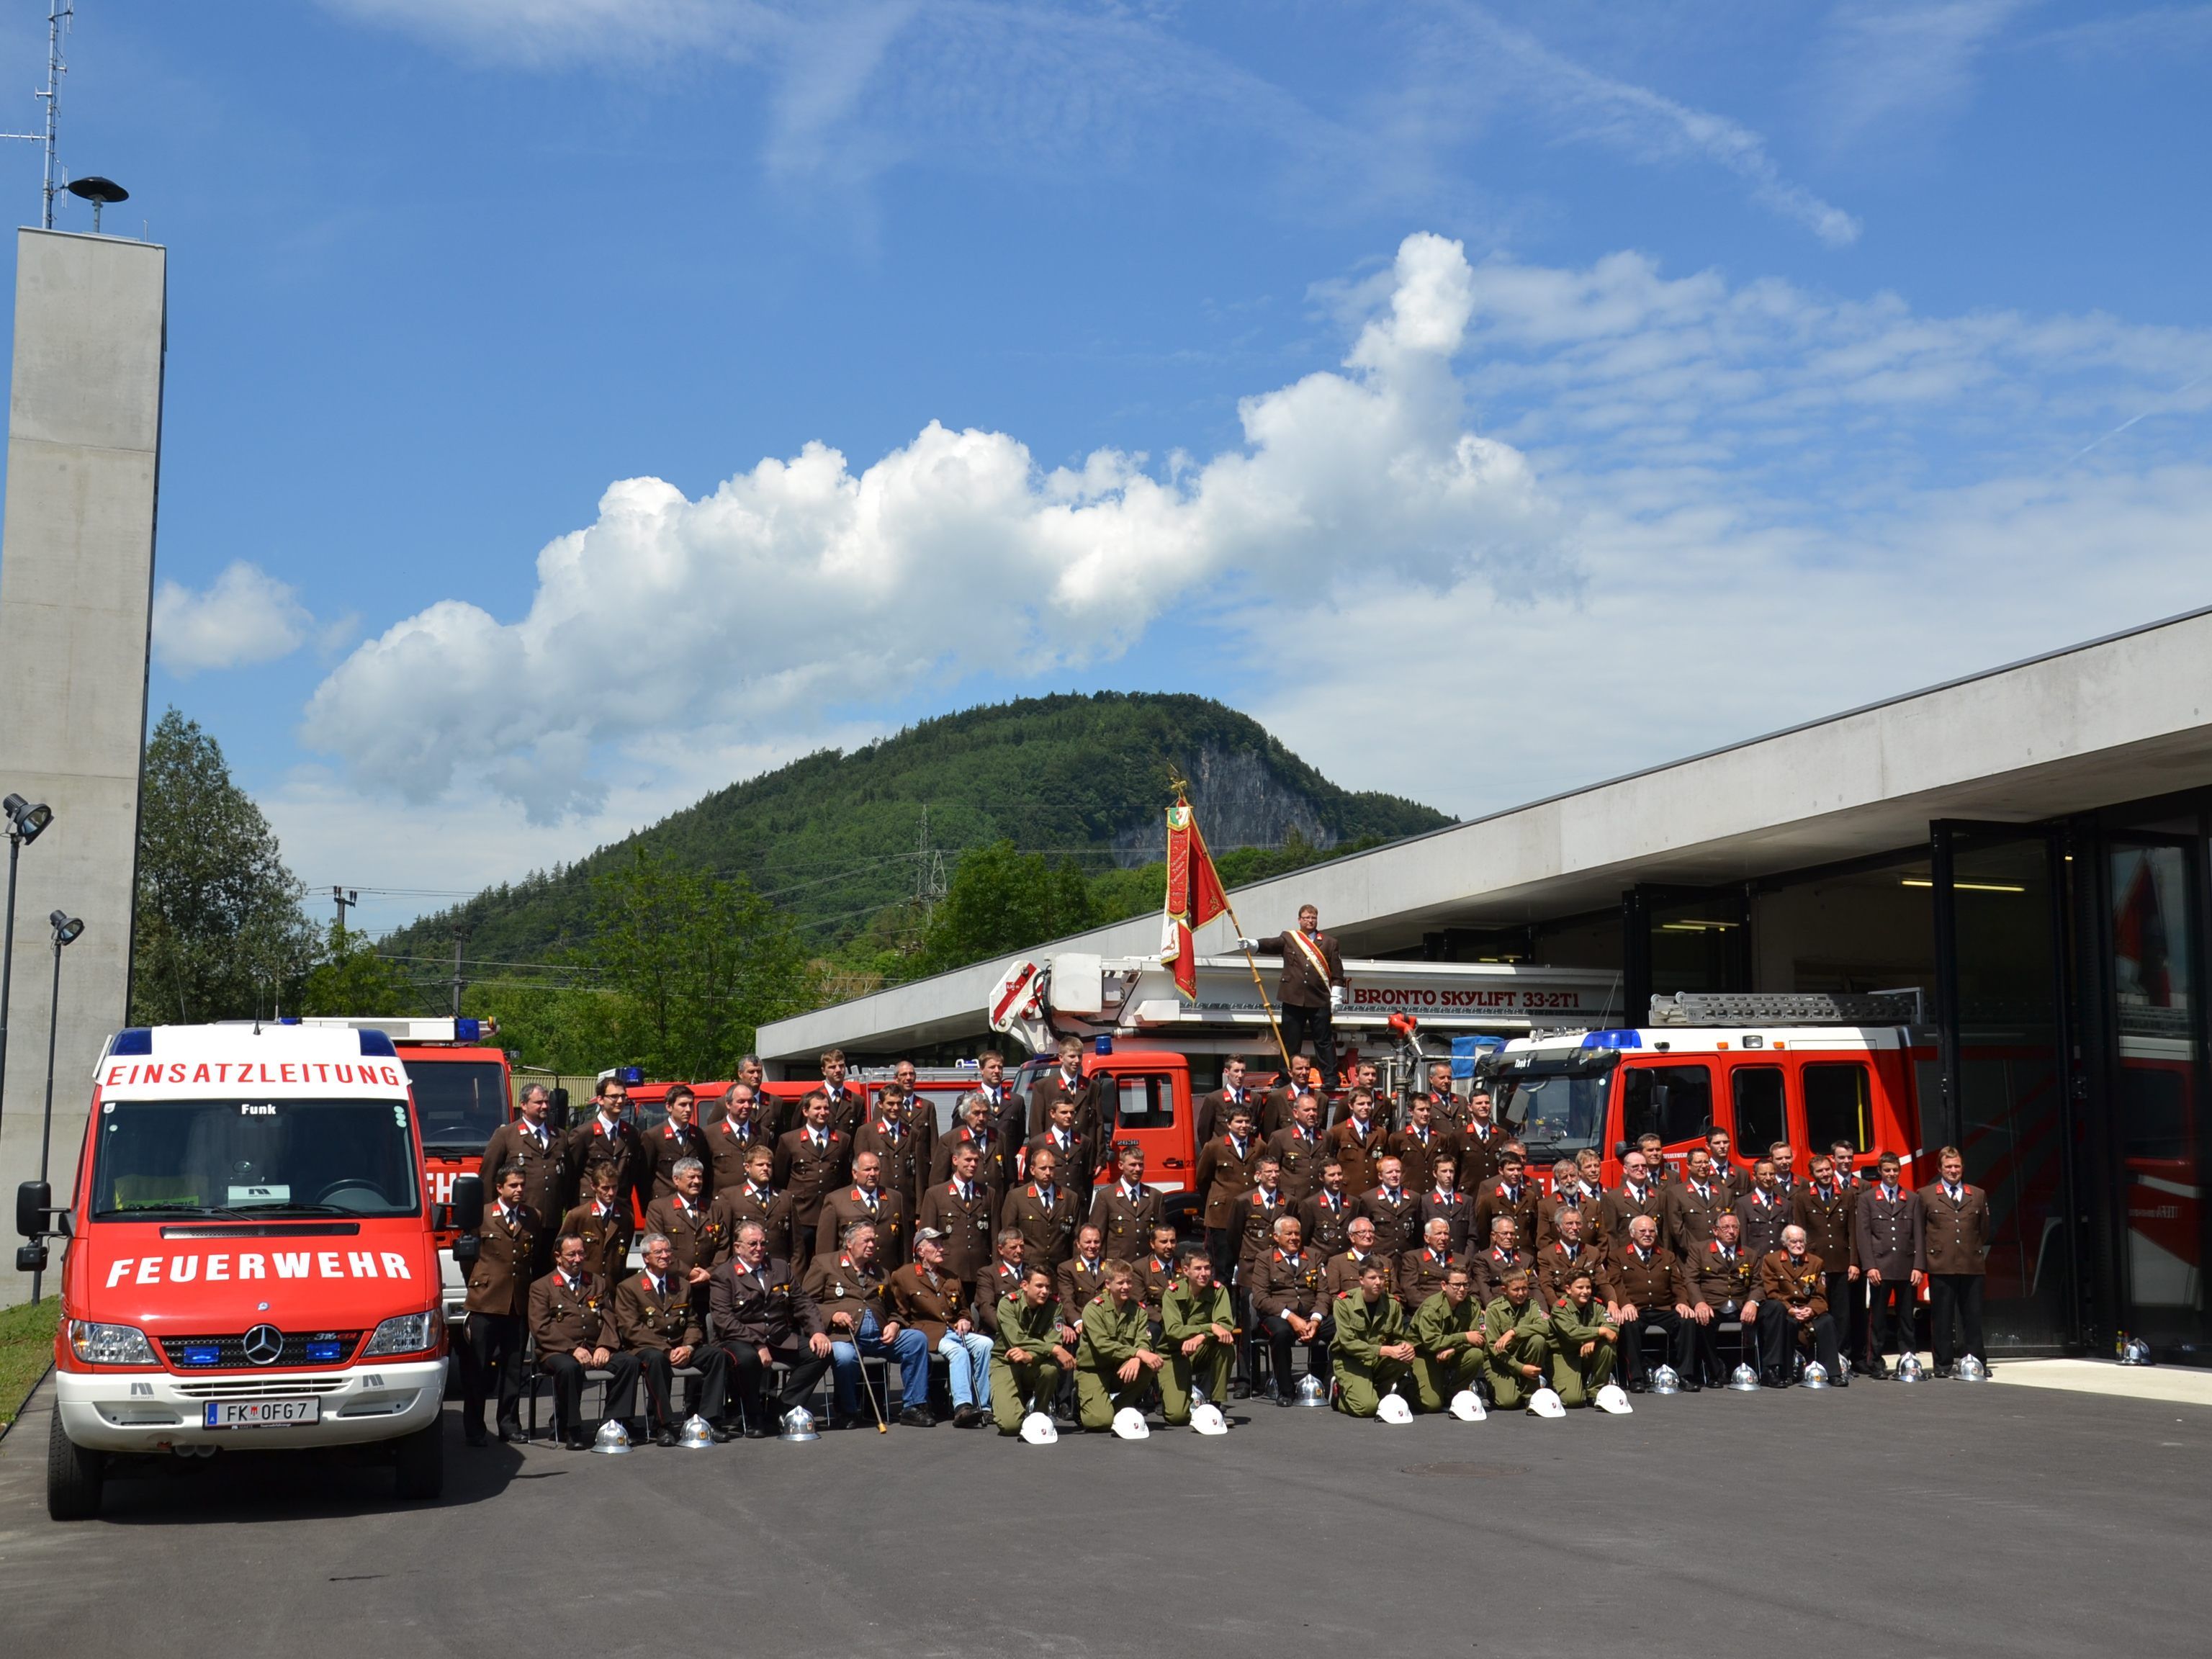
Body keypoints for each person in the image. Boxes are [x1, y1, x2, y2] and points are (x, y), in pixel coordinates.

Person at [708, 1220, 833, 1437]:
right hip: (740, 1340)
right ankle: (753, 1415)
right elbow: (723, 1320)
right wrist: (757, 1344)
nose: (759, 1248)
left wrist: (818, 1331)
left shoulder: (779, 1267)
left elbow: (802, 1302)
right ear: (738, 1247)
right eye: (753, 1244)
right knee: (748, 1360)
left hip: (778, 1337)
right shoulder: (724, 1274)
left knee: (820, 1354)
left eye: (763, 1243)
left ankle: (782, 1407)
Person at [804, 1220, 933, 1429]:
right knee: (845, 1357)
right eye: (867, 1240)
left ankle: (913, 1406)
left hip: (880, 1337)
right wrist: (833, 1314)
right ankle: (846, 1411)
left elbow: (895, 1309)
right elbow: (806, 1303)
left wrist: (894, 1324)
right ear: (849, 1243)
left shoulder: (881, 1272)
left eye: (874, 1240)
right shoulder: (824, 1264)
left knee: (917, 1340)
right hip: (845, 1336)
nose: (873, 1244)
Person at [615, 1231, 733, 1444]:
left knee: (716, 1355)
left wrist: (688, 1347)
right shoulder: (629, 1287)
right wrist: (666, 1350)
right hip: (647, 1348)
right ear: (645, 1258)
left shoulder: (682, 1285)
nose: (665, 1256)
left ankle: (709, 1421)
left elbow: (692, 1322)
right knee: (656, 1360)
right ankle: (663, 1425)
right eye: (658, 1252)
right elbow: (631, 1328)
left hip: (681, 1346)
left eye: (668, 1251)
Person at [530, 1232, 642, 1449]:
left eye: (581, 1253)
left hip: (594, 1347)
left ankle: (613, 1423)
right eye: (571, 1254)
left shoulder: (596, 1282)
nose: (578, 1259)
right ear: (558, 1257)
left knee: (630, 1363)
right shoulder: (542, 1286)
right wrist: (571, 1349)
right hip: (557, 1351)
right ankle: (571, 1428)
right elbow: (540, 1327)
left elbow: (610, 1317)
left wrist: (605, 1345)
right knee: (569, 1368)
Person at [461, 1163, 539, 1447]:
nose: (519, 1190)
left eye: (522, 1185)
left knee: (513, 1369)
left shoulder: (532, 1217)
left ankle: (509, 1425)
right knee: (479, 1369)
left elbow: (533, 1258)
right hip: (486, 1302)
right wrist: (480, 1283)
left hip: (517, 1304)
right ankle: (474, 1429)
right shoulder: (481, 1216)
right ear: (499, 1188)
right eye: (513, 1186)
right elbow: (467, 1259)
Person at [890, 1227, 993, 1428]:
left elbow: (963, 1310)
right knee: (959, 1353)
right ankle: (963, 1407)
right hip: (926, 1333)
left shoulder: (951, 1277)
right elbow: (900, 1313)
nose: (941, 1249)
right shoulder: (904, 1276)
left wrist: (966, 1320)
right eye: (935, 1245)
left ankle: (985, 1407)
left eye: (941, 1244)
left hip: (954, 1330)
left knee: (985, 1344)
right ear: (921, 1251)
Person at [1249, 903, 1346, 1084]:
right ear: (1299, 920)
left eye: (1313, 918)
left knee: (1324, 1041)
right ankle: (1285, 1077)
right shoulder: (1289, 938)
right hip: (1292, 998)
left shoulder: (1330, 943)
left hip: (1319, 999)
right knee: (1290, 1041)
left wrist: (1336, 996)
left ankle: (1331, 1077)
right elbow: (1272, 944)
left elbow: (1338, 973)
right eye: (1307, 917)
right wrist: (1255, 944)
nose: (1310, 921)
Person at [1918, 1146, 1990, 1377]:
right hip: (1941, 1265)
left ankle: (1977, 1361)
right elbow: (1920, 1232)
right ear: (1940, 1168)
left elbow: (1984, 1230)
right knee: (1942, 1317)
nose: (1953, 1170)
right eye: (1948, 1166)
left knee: (1973, 1317)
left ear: (1963, 1168)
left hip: (1971, 1265)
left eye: (1957, 1166)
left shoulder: (1977, 1194)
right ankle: (1943, 1364)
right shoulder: (1926, 1195)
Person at [480, 1084, 569, 1272]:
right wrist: (490, 1219)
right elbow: (488, 1177)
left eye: (547, 1102)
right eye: (539, 1102)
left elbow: (567, 1180)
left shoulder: (560, 1136)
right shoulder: (506, 1135)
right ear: (523, 1105)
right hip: (519, 1222)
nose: (545, 1106)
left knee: (547, 1276)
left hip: (551, 1223)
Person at [1603, 1214, 1694, 1393]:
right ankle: (1636, 1378)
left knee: (1687, 1320)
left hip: (1663, 1308)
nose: (1648, 1234)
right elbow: (1616, 1284)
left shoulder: (1666, 1256)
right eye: (1642, 1231)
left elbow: (1678, 1284)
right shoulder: (1618, 1256)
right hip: (1636, 1309)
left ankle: (1685, 1375)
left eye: (1652, 1231)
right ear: (1632, 1234)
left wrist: (1682, 1302)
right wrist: (1625, 1304)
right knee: (1628, 1324)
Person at [1853, 1152, 1925, 1377]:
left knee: (1906, 1317)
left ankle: (1908, 1359)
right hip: (1880, 1268)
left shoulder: (1912, 1199)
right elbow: (1863, 1235)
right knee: (1878, 1318)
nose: (1891, 1174)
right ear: (1880, 1172)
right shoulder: (1868, 1198)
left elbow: (1919, 1235)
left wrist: (1919, 1266)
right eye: (1887, 1170)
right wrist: (1870, 1266)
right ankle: (1875, 1361)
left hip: (1905, 1266)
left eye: (1895, 1170)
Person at [1249, 1215, 1331, 1403]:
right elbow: (1260, 1297)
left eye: (1297, 1233)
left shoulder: (1313, 1255)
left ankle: (1327, 1383)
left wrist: (1316, 1320)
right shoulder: (1265, 1259)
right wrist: (1292, 1318)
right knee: (1281, 1334)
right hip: (1279, 1315)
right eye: (1289, 1234)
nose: (1294, 1237)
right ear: (1276, 1237)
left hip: (1311, 1314)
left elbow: (1324, 1293)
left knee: (1340, 1328)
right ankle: (1286, 1391)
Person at [1076, 1262, 1164, 1431]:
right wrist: (1138, 1353)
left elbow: (1143, 1340)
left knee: (1146, 1366)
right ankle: (1082, 1401)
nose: (1126, 1287)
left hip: (1120, 1367)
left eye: (1129, 1282)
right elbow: (1103, 1345)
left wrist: (1138, 1358)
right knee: (1099, 1422)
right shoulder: (1094, 1309)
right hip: (1094, 1370)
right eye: (1121, 1283)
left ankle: (1119, 1407)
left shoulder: (1138, 1310)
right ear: (1108, 1284)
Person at [1794, 1152, 1859, 1372]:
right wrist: (1804, 1265)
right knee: (1816, 1311)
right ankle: (1816, 1356)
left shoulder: (1847, 1195)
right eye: (1820, 1171)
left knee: (1842, 1314)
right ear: (1812, 1175)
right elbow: (1800, 1235)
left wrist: (1854, 1262)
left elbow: (1853, 1232)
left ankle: (1842, 1357)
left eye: (1828, 1170)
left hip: (1841, 1264)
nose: (1825, 1174)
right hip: (1815, 1266)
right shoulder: (1802, 1198)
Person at [990, 1264, 1074, 1435]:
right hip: (1006, 1362)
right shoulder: (1008, 1304)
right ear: (1024, 1285)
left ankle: (1040, 1414)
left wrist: (1031, 1356)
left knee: (1050, 1369)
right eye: (1039, 1286)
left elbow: (1052, 1338)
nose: (1045, 1291)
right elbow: (1017, 1339)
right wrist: (1055, 1349)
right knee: (1010, 1426)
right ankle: (1016, 1410)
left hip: (1036, 1362)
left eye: (1048, 1287)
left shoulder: (1054, 1306)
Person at [1755, 1224, 1841, 1388]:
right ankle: (1785, 1373)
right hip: (1786, 1310)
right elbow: (1772, 1293)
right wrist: (1790, 1309)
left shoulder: (1816, 1262)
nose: (1798, 1245)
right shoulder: (1771, 1260)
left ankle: (1833, 1373)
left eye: (1801, 1241)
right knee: (1786, 1322)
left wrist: (1812, 1310)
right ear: (1785, 1243)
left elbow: (1820, 1296)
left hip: (1808, 1309)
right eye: (1794, 1241)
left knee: (1827, 1322)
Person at [773, 1090, 851, 1269]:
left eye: (826, 1108)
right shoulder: (789, 1140)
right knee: (799, 1262)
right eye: (818, 1108)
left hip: (830, 1213)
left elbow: (845, 1178)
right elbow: (780, 1178)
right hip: (801, 1214)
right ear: (806, 1111)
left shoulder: (843, 1140)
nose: (823, 1112)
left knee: (829, 1262)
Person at [1161, 1246, 1237, 1424]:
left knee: (1225, 1345)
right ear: (1186, 1270)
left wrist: (1201, 1336)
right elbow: (1174, 1330)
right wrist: (1210, 1327)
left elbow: (1225, 1326)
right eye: (1198, 1269)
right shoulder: (1172, 1293)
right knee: (1177, 1417)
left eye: (1207, 1268)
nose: (1204, 1273)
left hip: (1201, 1352)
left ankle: (1216, 1406)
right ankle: (1165, 1395)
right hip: (1174, 1354)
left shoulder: (1219, 1291)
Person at [1331, 1259, 1413, 1417]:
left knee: (1404, 1358)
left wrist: (1405, 1347)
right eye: (1373, 1278)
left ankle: (1371, 1392)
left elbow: (1396, 1338)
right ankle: (1339, 1395)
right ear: (1361, 1280)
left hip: (1377, 1361)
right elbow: (1348, 1344)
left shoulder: (1392, 1304)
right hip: (1351, 1361)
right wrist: (1384, 1350)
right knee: (1367, 1408)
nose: (1379, 1282)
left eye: (1382, 1278)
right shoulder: (1344, 1303)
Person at [1685, 1211, 1758, 1388]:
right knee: (1701, 1322)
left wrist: (1753, 1302)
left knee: (1773, 1311)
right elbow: (1690, 1279)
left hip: (1741, 1305)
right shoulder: (1700, 1250)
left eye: (1735, 1227)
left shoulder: (1749, 1253)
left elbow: (1758, 1283)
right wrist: (1699, 1302)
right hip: (1712, 1305)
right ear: (1715, 1231)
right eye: (1726, 1227)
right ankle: (1715, 1372)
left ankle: (1770, 1370)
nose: (1731, 1231)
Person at [642, 1157, 729, 1301]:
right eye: (691, 1177)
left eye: (699, 1177)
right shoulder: (659, 1208)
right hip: (673, 1284)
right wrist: (688, 1273)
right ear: (676, 1180)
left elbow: (723, 1247)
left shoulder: (713, 1208)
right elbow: (655, 1246)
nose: (697, 1181)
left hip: (708, 1285)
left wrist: (710, 1273)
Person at [1195, 1103, 1262, 1285]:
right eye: (1239, 1122)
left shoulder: (1259, 1146)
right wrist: (1216, 1199)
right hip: (1222, 1217)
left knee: (1250, 1269)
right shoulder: (1214, 1147)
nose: (1244, 1126)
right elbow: (1202, 1179)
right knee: (1223, 1269)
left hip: (1251, 1215)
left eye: (1247, 1122)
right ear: (1228, 1124)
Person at [916, 1139, 997, 1285]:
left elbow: (995, 1237)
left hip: (981, 1272)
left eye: (976, 1161)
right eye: (968, 1160)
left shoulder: (988, 1194)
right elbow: (926, 1237)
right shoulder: (936, 1194)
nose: (973, 1165)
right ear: (955, 1160)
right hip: (948, 1272)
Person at [1408, 1264, 1485, 1412]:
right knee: (1431, 1405)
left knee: (1475, 1355)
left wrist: (1454, 1349)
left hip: (1449, 1352)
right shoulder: (1432, 1307)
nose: (1462, 1289)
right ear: (1444, 1285)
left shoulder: (1472, 1305)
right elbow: (1431, 1342)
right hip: (1424, 1354)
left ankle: (1451, 1395)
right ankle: (1405, 1387)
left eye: (1465, 1284)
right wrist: (1463, 1337)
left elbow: (1479, 1338)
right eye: (1456, 1285)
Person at [817, 1148, 910, 1269]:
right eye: (867, 1169)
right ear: (855, 1173)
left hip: (888, 1276)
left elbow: (905, 1246)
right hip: (851, 1278)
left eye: (876, 1169)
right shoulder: (836, 1200)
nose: (872, 1174)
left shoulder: (895, 1198)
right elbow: (826, 1249)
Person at [566, 1074, 644, 1213]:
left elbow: (633, 1175)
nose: (620, 1101)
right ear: (600, 1100)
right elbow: (570, 1176)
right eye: (614, 1096)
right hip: (589, 1208)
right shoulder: (583, 1134)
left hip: (621, 1208)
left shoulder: (632, 1134)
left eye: (623, 1096)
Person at [1480, 1269, 1552, 1411]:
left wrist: (1514, 1332)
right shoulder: (1494, 1309)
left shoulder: (1532, 1304)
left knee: (1538, 1340)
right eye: (1516, 1289)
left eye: (1524, 1288)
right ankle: (1494, 1390)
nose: (1521, 1293)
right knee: (1508, 1403)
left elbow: (1545, 1327)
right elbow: (1495, 1349)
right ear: (1504, 1290)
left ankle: (1529, 1393)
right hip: (1500, 1362)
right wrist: (1521, 1369)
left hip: (1523, 1355)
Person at [558, 1159, 632, 1293]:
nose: (611, 1193)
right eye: (605, 1188)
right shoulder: (578, 1215)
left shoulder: (626, 1217)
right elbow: (558, 1253)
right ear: (593, 1186)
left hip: (612, 1290)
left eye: (614, 1187)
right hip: (583, 1288)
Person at [1549, 1271, 1619, 1407]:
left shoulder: (1596, 1305)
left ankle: (1595, 1391)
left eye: (1588, 1287)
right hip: (1565, 1355)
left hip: (1587, 1353)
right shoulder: (1560, 1308)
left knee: (1607, 1347)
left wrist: (1594, 1339)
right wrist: (1600, 1331)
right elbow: (1572, 1333)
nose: (1585, 1291)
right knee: (1573, 1400)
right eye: (1580, 1288)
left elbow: (1613, 1329)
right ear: (1568, 1289)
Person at [1003, 1146, 1082, 1267]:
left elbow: (1076, 1239)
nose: (1048, 1173)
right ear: (1032, 1170)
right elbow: (1008, 1235)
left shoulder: (1070, 1198)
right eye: (1043, 1168)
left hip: (1060, 1269)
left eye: (1051, 1168)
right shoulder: (1017, 1197)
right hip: (1028, 1267)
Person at [854, 1087, 928, 1213]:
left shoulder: (913, 1134)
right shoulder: (866, 1132)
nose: (895, 1108)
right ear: (880, 1104)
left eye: (899, 1103)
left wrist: (919, 1211)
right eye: (890, 1103)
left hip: (906, 1206)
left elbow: (919, 1176)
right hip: (876, 1204)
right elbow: (859, 1173)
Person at [1089, 1141, 1162, 1264]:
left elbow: (1162, 1237)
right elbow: (1097, 1237)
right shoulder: (1106, 1197)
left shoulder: (1155, 1197)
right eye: (1133, 1165)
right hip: (1117, 1267)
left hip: (1146, 1267)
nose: (1138, 1169)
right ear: (1121, 1165)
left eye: (1141, 1165)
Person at [721, 1143, 795, 1263]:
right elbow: (724, 1242)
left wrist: (794, 1274)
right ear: (747, 1167)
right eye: (760, 1165)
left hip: (778, 1270)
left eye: (769, 1165)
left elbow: (796, 1244)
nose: (765, 1168)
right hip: (743, 1270)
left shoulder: (785, 1197)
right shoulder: (730, 1197)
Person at [642, 1086, 709, 1203]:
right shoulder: (653, 1136)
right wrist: (650, 1206)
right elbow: (643, 1177)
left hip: (692, 1202)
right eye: (683, 1105)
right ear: (669, 1107)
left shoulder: (698, 1135)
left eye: (690, 1105)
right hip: (664, 1204)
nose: (688, 1109)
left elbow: (705, 1170)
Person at [1029, 1034, 1102, 1140]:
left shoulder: (1092, 1087)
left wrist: (1100, 1156)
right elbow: (1036, 1126)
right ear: (1061, 1058)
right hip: (1054, 1153)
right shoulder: (1044, 1087)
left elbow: (1099, 1126)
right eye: (1072, 1056)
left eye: (1080, 1056)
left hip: (1084, 1153)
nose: (1077, 1061)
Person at [1663, 1146, 1731, 1258]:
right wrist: (1698, 1252)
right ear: (1688, 1165)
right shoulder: (1676, 1193)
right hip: (1691, 1258)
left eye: (1706, 1162)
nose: (1704, 1166)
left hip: (1722, 1256)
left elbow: (1731, 1226)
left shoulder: (1725, 1193)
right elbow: (1677, 1230)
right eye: (1698, 1162)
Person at [707, 1082, 775, 1192]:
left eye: (750, 1101)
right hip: (723, 1202)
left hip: (754, 1201)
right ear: (728, 1104)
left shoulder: (763, 1133)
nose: (747, 1106)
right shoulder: (710, 1134)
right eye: (741, 1102)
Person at [1473, 1149, 1539, 1259]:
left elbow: (1534, 1230)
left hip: (1525, 1257)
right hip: (1498, 1258)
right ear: (1501, 1170)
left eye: (1519, 1169)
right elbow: (1483, 1232)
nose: (1516, 1174)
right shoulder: (1489, 1199)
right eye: (1511, 1170)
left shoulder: (1529, 1196)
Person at [1388, 1093, 1453, 1197]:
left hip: (1434, 1194)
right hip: (1409, 1193)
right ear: (1411, 1111)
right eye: (1421, 1110)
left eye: (1428, 1109)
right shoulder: (1398, 1138)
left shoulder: (1441, 1138)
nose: (1426, 1113)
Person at [1535, 1203, 1600, 1307]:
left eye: (1578, 1223)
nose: (1575, 1228)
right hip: (1561, 1307)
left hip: (1588, 1307)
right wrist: (1558, 1306)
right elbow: (1546, 1286)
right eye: (1569, 1223)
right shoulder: (1546, 1255)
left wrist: (1612, 1302)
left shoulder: (1592, 1252)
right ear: (1558, 1227)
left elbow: (1603, 1282)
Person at [1326, 1089, 1389, 1197]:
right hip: (1347, 1192)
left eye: (1369, 1104)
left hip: (1374, 1193)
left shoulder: (1380, 1132)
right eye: (1361, 1104)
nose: (1366, 1107)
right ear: (1351, 1105)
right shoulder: (1338, 1131)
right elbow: (1330, 1162)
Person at [1267, 1092, 1328, 1201]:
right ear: (1295, 1113)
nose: (1312, 1114)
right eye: (1307, 1110)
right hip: (1292, 1199)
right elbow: (1272, 1169)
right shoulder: (1280, 1137)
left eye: (1314, 1110)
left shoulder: (1326, 1136)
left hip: (1318, 1199)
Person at [1357, 1154, 1421, 1258]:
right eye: (1389, 1172)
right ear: (1380, 1176)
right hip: (1380, 1259)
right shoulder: (1368, 1199)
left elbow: (1419, 1233)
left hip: (1407, 1260)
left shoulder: (1414, 1198)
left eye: (1398, 1171)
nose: (1395, 1175)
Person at [973, 1228, 1030, 1340]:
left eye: (1022, 1246)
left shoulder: (1032, 1272)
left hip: (1030, 1333)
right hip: (1000, 1334)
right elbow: (987, 1309)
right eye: (1013, 1247)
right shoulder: (988, 1274)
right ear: (1000, 1249)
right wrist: (1011, 1331)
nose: (1019, 1251)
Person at [1466, 1215, 1535, 1307]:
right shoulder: (1483, 1259)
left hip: (1524, 1307)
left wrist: (1542, 1310)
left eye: (1512, 1233)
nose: (1509, 1237)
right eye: (1504, 1233)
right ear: (1494, 1236)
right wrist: (1496, 1311)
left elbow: (1535, 1287)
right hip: (1498, 1307)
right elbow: (1484, 1290)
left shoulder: (1526, 1259)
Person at [1600, 1150, 1666, 1245]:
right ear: (1625, 1169)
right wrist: (1615, 1258)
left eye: (1644, 1166)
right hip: (1626, 1256)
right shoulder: (1613, 1198)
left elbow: (1665, 1233)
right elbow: (1611, 1234)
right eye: (1635, 1166)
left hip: (1655, 1255)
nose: (1640, 1169)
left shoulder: (1659, 1196)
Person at [1195, 1055, 1260, 1147]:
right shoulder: (1214, 1099)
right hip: (1222, 1153)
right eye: (1236, 1071)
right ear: (1227, 1072)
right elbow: (1204, 1130)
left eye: (1243, 1071)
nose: (1240, 1075)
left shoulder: (1255, 1099)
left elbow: (1256, 1129)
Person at [1325, 1215, 1391, 1302]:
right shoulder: (1337, 1262)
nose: (1368, 1236)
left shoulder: (1386, 1262)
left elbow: (1396, 1295)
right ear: (1352, 1237)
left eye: (1371, 1232)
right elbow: (1333, 1296)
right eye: (1362, 1232)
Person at [1397, 1218, 1458, 1312]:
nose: (1443, 1238)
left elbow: (1470, 1290)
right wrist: (1436, 1309)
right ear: (1427, 1238)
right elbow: (1410, 1292)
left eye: (1446, 1234)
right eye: (1438, 1234)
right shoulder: (1413, 1258)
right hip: (1426, 1313)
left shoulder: (1460, 1260)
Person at [1735, 1157, 1791, 1259]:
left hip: (1781, 1262)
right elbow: (1743, 1239)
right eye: (1763, 1174)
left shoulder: (1786, 1204)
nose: (1768, 1178)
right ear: (1754, 1176)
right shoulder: (1744, 1203)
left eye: (1772, 1174)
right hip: (1757, 1262)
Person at [1419, 1154, 1475, 1256]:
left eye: (1451, 1171)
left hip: (1461, 1262)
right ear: (1435, 1173)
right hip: (1436, 1262)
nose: (1448, 1175)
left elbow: (1472, 1237)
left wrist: (1466, 1260)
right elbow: (1422, 1238)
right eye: (1444, 1171)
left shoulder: (1467, 1201)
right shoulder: (1425, 1201)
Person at [1300, 1157, 1354, 1259]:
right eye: (1332, 1175)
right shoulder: (1310, 1204)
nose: (1337, 1179)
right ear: (1321, 1177)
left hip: (1347, 1261)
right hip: (1322, 1262)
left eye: (1339, 1174)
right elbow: (1305, 1238)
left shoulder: (1353, 1203)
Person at [1455, 1085, 1507, 1186]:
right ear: (1470, 1107)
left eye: (1487, 1103)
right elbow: (1453, 1168)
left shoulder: (1502, 1135)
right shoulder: (1459, 1136)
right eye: (1479, 1103)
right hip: (1470, 1194)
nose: (1484, 1106)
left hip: (1495, 1193)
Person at [1058, 1224, 1112, 1321]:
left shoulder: (1111, 1267)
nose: (1093, 1246)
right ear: (1078, 1244)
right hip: (1082, 1323)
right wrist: (1077, 1322)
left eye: (1096, 1242)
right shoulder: (1067, 1269)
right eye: (1088, 1242)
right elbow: (1067, 1302)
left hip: (1107, 1323)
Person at [817, 1048, 868, 1138]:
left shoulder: (857, 1101)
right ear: (823, 1071)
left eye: (841, 1066)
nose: (838, 1070)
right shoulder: (812, 1098)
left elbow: (860, 1136)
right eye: (832, 1067)